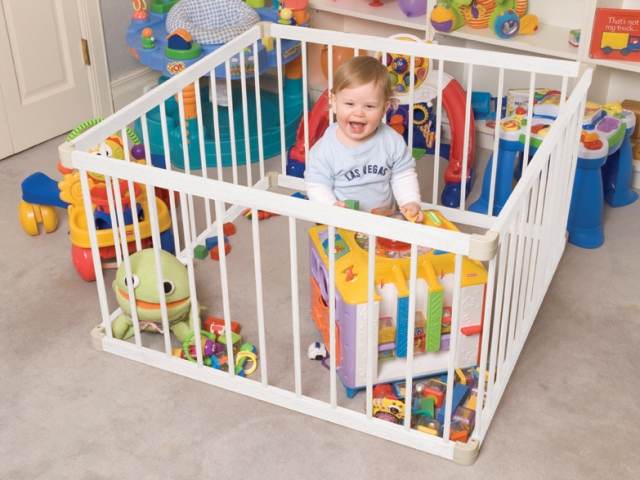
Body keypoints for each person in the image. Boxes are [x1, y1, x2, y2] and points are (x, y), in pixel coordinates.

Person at [304, 55, 423, 222]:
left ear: (384, 108)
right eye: (349, 104)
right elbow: (317, 184)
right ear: (334, 102)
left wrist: (409, 201)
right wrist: (330, 206)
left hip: (384, 219)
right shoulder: (324, 149)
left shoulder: (392, 141)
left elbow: (403, 175)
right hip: (342, 222)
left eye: (369, 106)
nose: (358, 113)